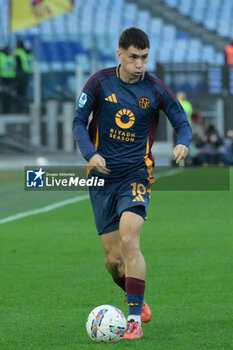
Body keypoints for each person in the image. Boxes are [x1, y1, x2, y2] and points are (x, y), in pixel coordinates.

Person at [73, 27, 192, 340]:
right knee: (113, 261)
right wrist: (91, 153)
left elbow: (181, 121)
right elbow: (78, 122)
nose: (140, 64)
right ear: (120, 55)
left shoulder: (155, 89)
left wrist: (183, 142)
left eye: (145, 58)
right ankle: (134, 293)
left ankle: (134, 320)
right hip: (100, 178)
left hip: (136, 175)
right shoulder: (99, 82)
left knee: (129, 240)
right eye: (134, 57)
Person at [0, 46, 16, 113]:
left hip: (6, 79)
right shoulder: (11, 58)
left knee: (6, 95)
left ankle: (6, 110)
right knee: (6, 95)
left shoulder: (2, 57)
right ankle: (6, 110)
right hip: (6, 79)